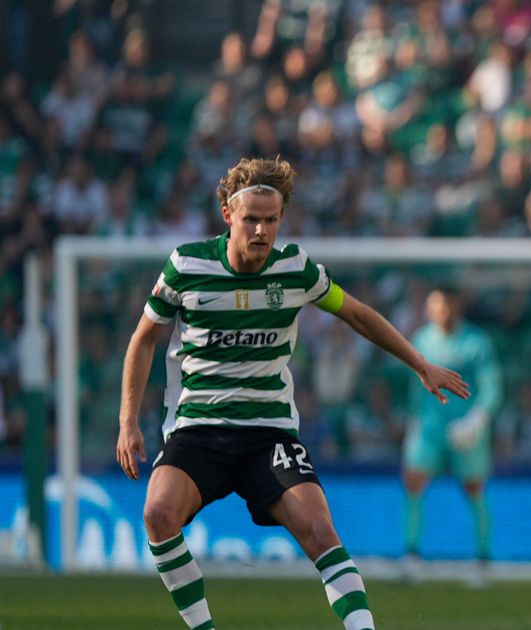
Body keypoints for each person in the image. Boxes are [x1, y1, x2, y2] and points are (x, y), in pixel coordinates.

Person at [115, 157, 470, 630]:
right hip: (198, 429)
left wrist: (419, 363)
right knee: (158, 514)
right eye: (251, 219)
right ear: (228, 215)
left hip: (270, 434)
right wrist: (128, 421)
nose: (261, 231)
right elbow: (142, 339)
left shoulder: (296, 270)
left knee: (321, 530)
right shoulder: (186, 266)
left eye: (271, 220)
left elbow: (358, 315)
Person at [403, 287, 502, 584]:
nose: (440, 310)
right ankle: (412, 557)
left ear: (456, 305)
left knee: (474, 488)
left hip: (465, 429)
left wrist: (477, 421)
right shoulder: (421, 340)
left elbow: (492, 387)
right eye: (434, 305)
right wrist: (413, 423)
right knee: (413, 483)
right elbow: (414, 389)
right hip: (429, 427)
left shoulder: (476, 343)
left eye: (444, 304)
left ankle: (483, 561)